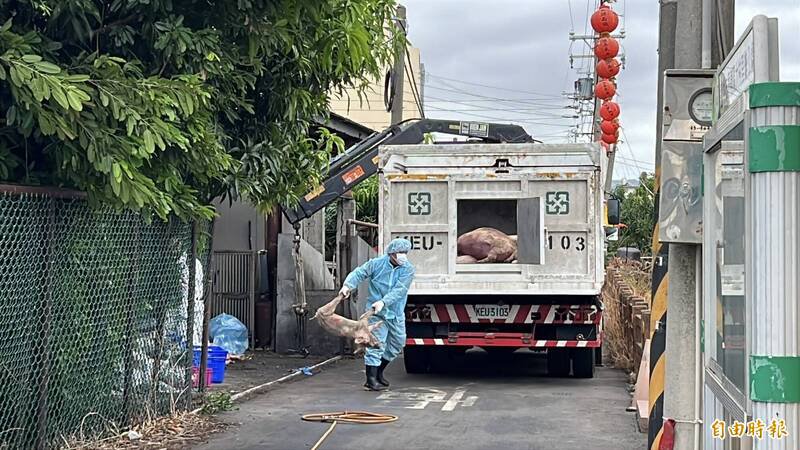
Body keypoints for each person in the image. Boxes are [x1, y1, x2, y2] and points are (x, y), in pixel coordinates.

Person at [339, 238, 415, 391]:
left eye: (405, 252)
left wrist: (383, 302)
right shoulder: (377, 264)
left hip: (395, 312)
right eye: (400, 252)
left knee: (398, 343)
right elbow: (359, 273)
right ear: (391, 253)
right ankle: (371, 379)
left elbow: (400, 290)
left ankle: (379, 371)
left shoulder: (408, 269)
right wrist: (347, 286)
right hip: (375, 313)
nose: (403, 255)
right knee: (375, 343)